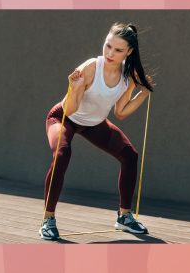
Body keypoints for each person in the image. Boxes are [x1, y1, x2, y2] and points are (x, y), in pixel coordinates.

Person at [40, 22, 155, 240]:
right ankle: (48, 219)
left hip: (94, 123)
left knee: (129, 155)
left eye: (118, 50)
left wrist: (143, 93)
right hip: (64, 117)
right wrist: (75, 87)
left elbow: (120, 112)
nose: (110, 53)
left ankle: (124, 217)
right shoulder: (92, 67)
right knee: (62, 154)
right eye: (108, 46)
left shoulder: (127, 77)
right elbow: (71, 109)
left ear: (129, 52)